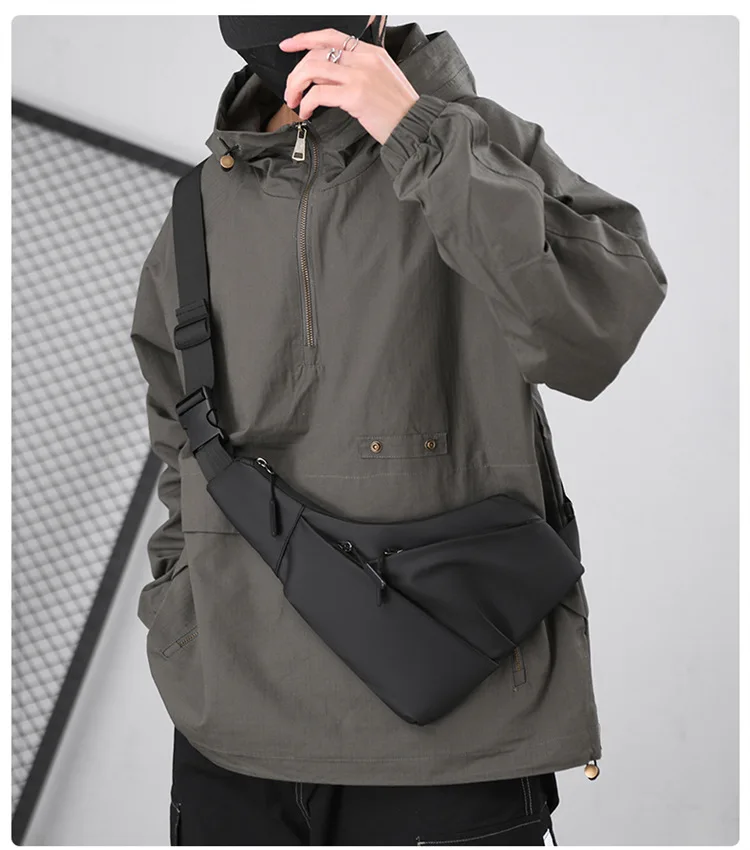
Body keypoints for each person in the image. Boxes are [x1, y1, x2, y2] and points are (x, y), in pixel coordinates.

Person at [130, 14, 667, 846]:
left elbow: (596, 332)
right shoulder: (199, 202)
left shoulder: (475, 141)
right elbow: (178, 436)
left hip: (458, 734)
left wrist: (415, 130)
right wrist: (182, 606)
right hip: (230, 735)